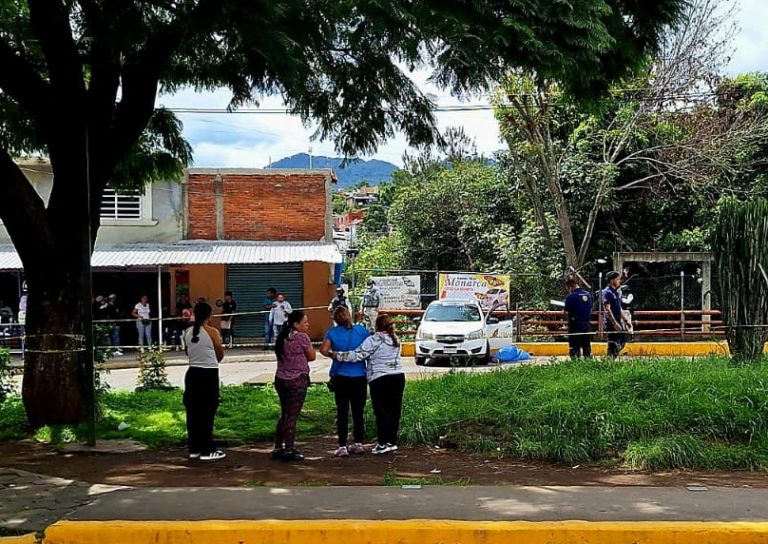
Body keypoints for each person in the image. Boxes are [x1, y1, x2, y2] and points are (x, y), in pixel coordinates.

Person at [331, 314, 404, 455]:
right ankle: (391, 441)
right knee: (394, 410)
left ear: (377, 326)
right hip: (398, 376)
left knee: (381, 411)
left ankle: (382, 443)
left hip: (379, 377)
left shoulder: (373, 340)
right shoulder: (395, 339)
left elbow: (358, 355)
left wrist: (337, 355)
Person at [320, 306, 370, 456]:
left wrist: (334, 355)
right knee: (358, 411)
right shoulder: (361, 331)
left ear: (335, 319)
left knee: (342, 412)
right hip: (360, 376)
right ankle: (358, 443)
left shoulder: (332, 332)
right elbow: (369, 350)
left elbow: (323, 350)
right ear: (349, 315)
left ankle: (342, 445)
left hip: (341, 376)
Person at [183, 301, 226, 461]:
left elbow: (188, 352)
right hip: (209, 374)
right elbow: (220, 354)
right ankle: (207, 449)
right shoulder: (212, 332)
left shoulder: (187, 332)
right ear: (210, 315)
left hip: (192, 373)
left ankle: (194, 448)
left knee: (193, 412)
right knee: (207, 411)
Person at [272, 310, 316, 461]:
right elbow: (312, 356)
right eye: (305, 322)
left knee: (284, 414)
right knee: (292, 416)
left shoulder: (282, 336)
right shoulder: (302, 337)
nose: (308, 324)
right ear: (296, 324)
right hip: (297, 380)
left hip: (280, 379)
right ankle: (289, 449)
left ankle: (278, 447)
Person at [564, 276, 593, 359]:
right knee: (586, 346)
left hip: (575, 325)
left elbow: (566, 312)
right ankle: (588, 363)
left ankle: (575, 365)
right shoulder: (588, 295)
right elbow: (590, 310)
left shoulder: (570, 297)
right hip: (587, 324)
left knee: (574, 348)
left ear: (569, 287)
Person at [602, 271, 630, 357]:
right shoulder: (607, 292)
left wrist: (626, 320)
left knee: (623, 340)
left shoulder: (616, 292)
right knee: (613, 344)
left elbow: (619, 308)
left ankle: (613, 355)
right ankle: (610, 360)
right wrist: (614, 323)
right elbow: (607, 309)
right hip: (611, 323)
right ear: (611, 281)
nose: (619, 281)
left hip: (618, 321)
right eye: (617, 279)